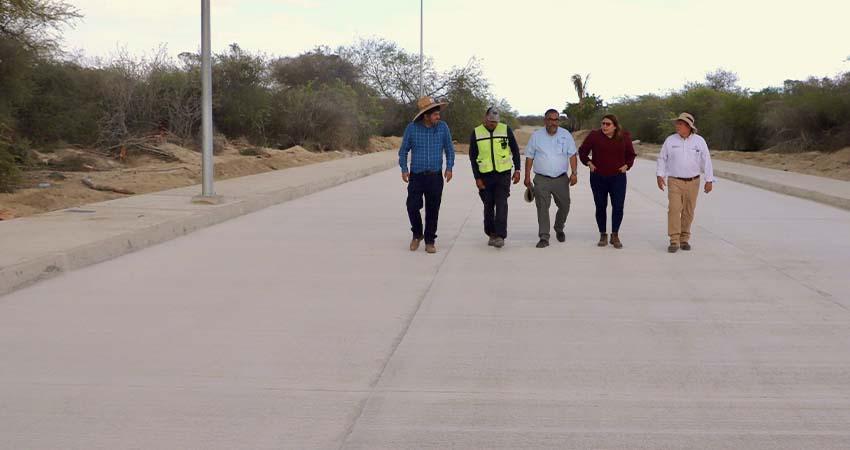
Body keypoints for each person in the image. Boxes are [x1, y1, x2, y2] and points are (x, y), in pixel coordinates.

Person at [399, 96, 455, 254]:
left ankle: (430, 241)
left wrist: (449, 167)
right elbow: (403, 151)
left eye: (438, 113)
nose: (439, 116)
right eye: (435, 114)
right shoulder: (412, 128)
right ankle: (417, 234)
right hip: (416, 176)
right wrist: (404, 169)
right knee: (412, 206)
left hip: (435, 176)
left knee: (433, 209)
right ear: (426, 116)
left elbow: (449, 149)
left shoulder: (443, 127)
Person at [656, 112, 715, 253]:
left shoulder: (699, 141)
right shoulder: (670, 140)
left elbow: (706, 160)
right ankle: (674, 240)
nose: (677, 126)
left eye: (681, 124)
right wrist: (660, 175)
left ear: (689, 126)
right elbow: (662, 158)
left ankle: (684, 239)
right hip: (674, 180)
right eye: (677, 123)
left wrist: (709, 180)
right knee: (674, 209)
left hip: (693, 181)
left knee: (688, 211)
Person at [578, 114, 636, 249]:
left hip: (618, 178)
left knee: (618, 206)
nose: (604, 126)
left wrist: (627, 166)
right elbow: (582, 151)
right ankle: (603, 234)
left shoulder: (624, 137)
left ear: (615, 126)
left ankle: (615, 234)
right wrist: (589, 163)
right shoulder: (594, 136)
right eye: (603, 123)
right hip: (598, 177)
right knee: (600, 206)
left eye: (608, 124)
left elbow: (631, 155)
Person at [523, 109, 578, 248]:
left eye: (556, 120)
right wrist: (527, 176)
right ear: (545, 120)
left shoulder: (566, 135)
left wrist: (574, 173)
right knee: (542, 207)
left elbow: (572, 155)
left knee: (565, 206)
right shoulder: (536, 136)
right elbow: (529, 156)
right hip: (541, 179)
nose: (553, 122)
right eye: (550, 119)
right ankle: (544, 237)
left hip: (561, 179)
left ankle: (559, 228)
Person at [469, 106, 521, 248]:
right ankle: (491, 233)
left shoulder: (505, 129)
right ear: (485, 118)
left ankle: (500, 235)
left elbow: (515, 150)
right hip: (485, 176)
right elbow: (472, 157)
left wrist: (518, 170)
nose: (493, 124)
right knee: (488, 205)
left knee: (502, 204)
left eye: (495, 121)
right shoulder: (477, 132)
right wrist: (477, 178)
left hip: (503, 174)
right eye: (491, 121)